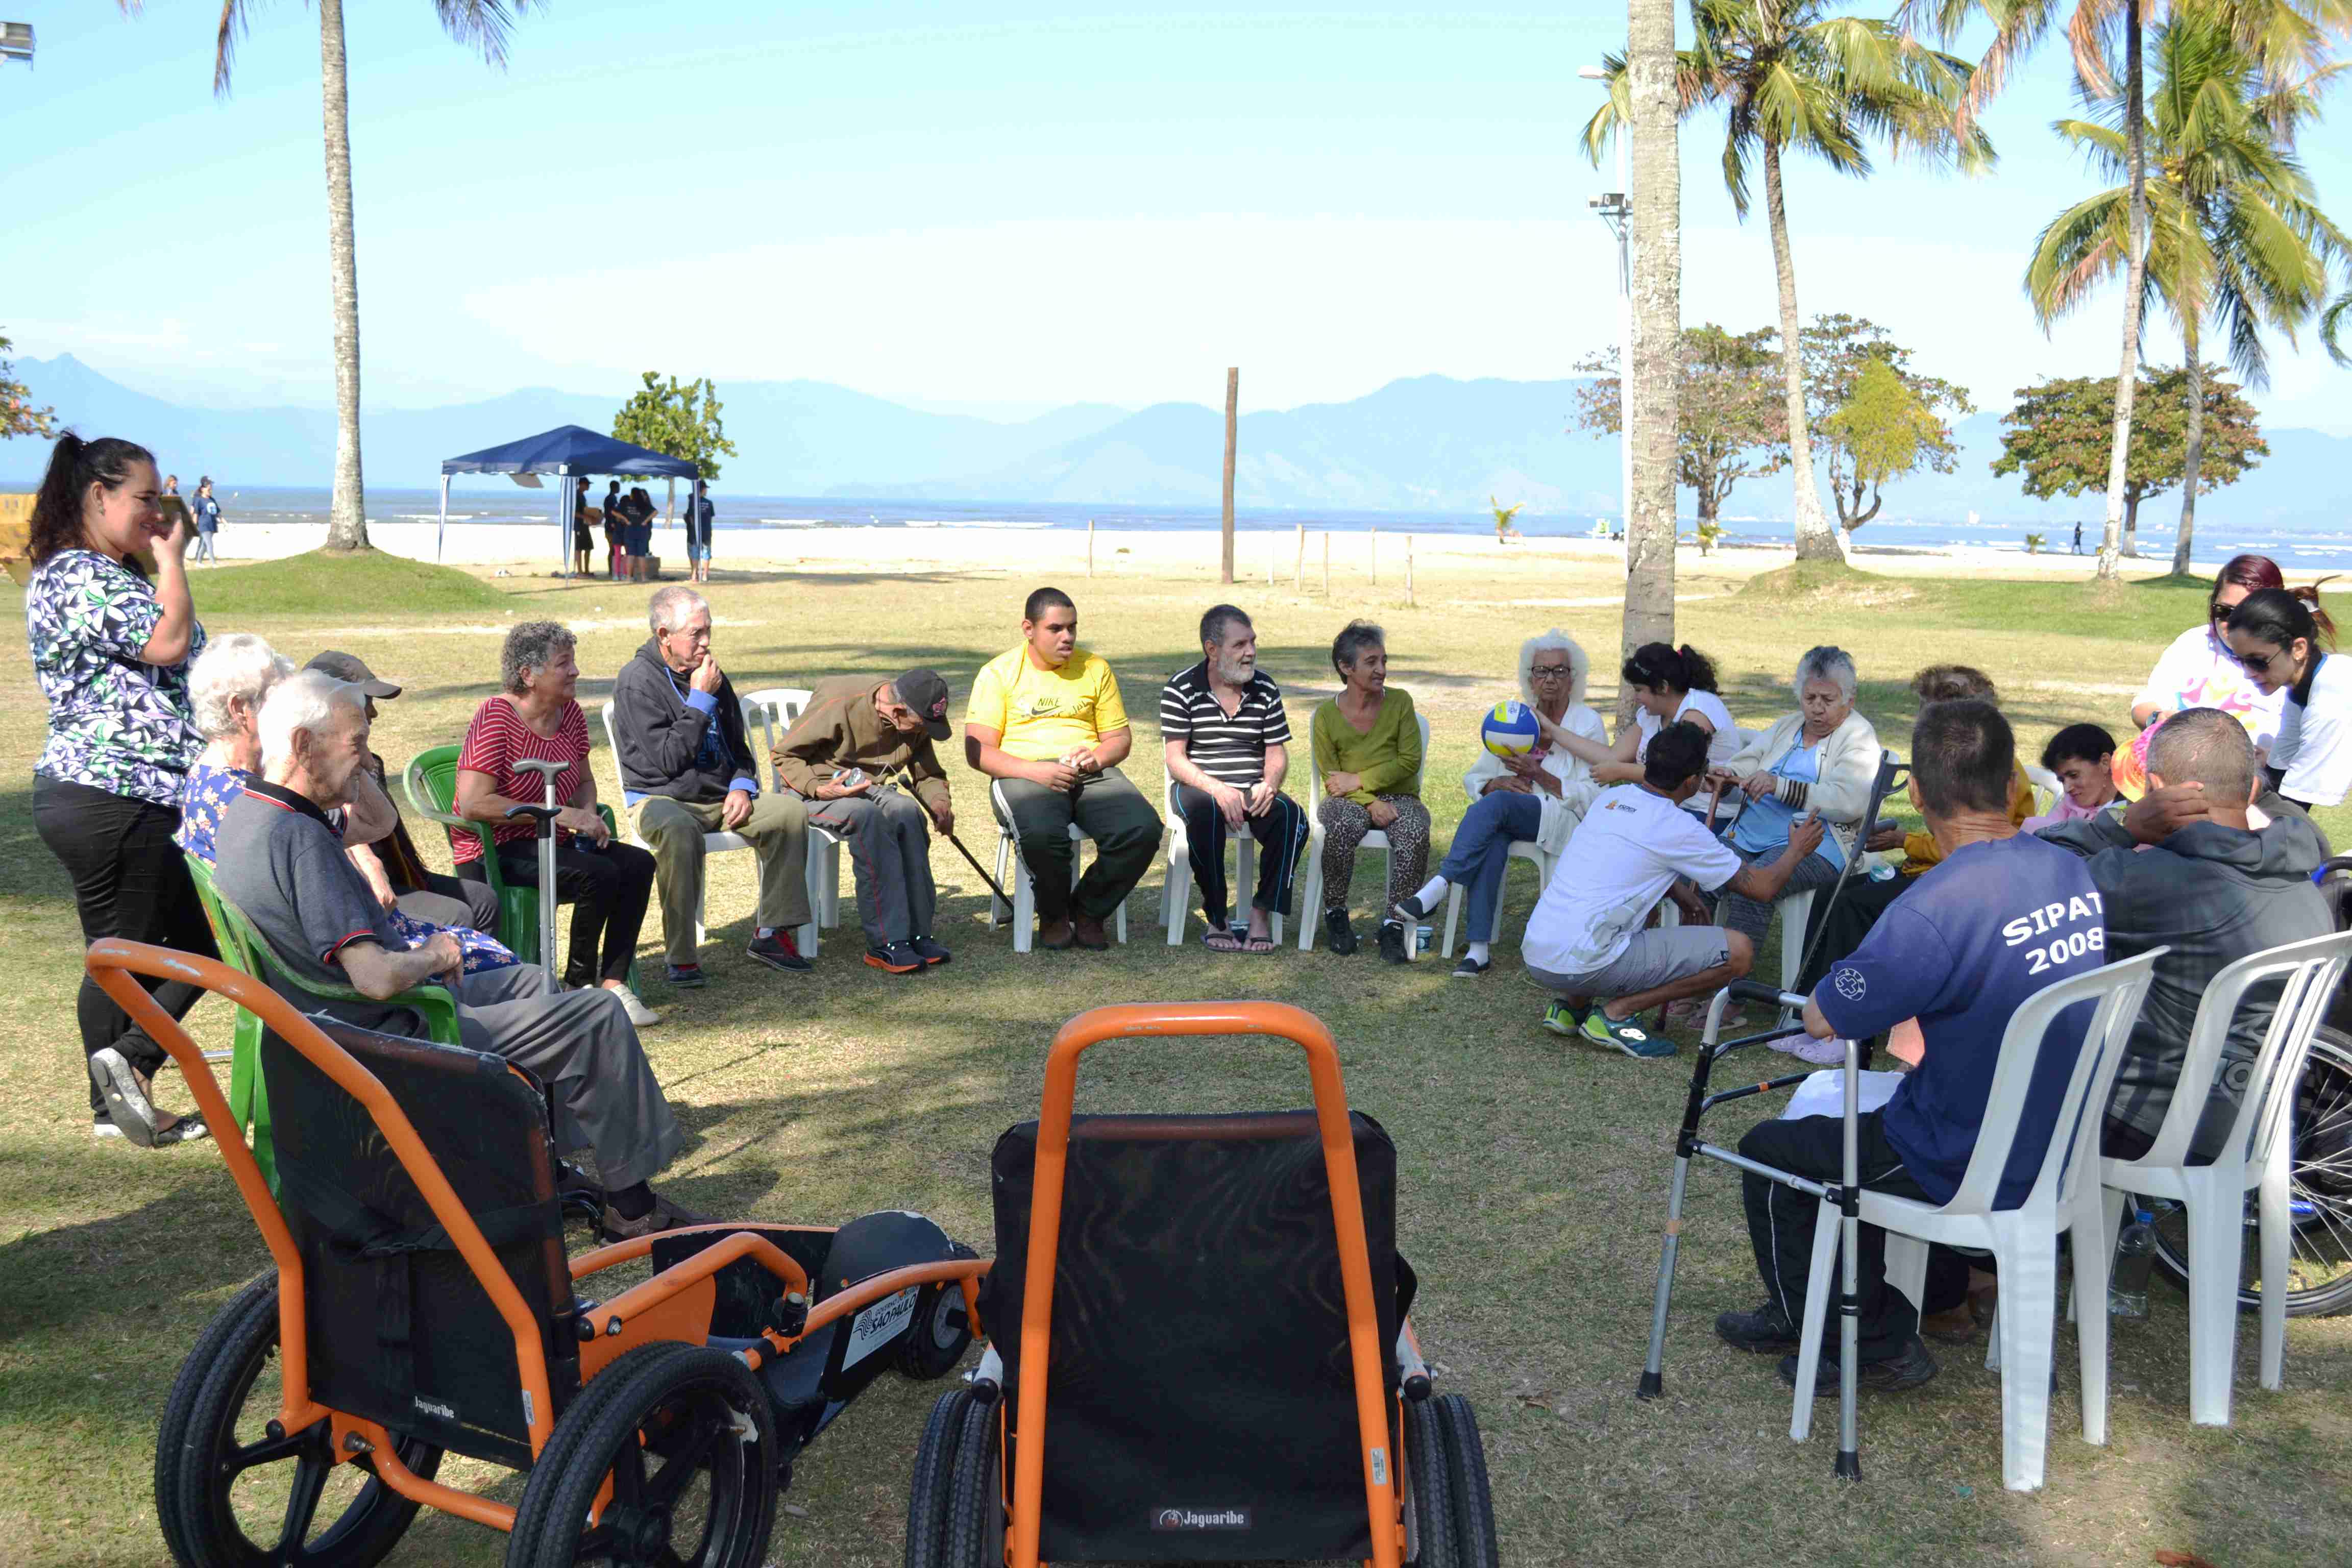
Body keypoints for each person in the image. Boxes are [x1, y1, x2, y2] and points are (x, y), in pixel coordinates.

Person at [214, 673, 700, 1240]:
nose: (369, 763)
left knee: (533, 984)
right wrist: (433, 953)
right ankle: (633, 1207)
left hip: (333, 1024)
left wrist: (351, 763)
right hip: (390, 1034)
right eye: (356, 747)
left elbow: (377, 822)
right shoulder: (302, 842)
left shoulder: (251, 815)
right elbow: (374, 977)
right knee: (597, 1015)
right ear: (302, 745)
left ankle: (543, 1172)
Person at [1714, 699, 2107, 1394]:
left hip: (1964, 1150)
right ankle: (1841, 1309)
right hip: (2059, 1135)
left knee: (1776, 1152)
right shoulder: (2069, 870)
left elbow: (1823, 1021)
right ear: (2012, 786)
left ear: (1917, 794)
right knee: (1842, 1135)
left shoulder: (1933, 905)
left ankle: (1869, 1339)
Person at [24, 433, 217, 1145]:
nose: (157, 511)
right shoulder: (79, 575)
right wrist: (171, 558)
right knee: (150, 949)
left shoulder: (105, 573)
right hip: (112, 793)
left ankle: (118, 1097)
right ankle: (122, 1086)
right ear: (98, 496)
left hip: (120, 793)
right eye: (144, 498)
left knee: (133, 948)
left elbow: (185, 653)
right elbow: (169, 645)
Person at [2036, 707, 2331, 1162]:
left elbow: (2028, 873)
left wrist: (2122, 826)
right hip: (2263, 1123)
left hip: (2154, 1124)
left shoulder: (2150, 882)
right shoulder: (2301, 881)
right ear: (2251, 787)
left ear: (2155, 790)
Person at [181, 641, 518, 976]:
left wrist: (350, 745)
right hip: (355, 967)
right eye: (281, 695)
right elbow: (360, 949)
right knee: (504, 963)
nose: (291, 705)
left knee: (486, 939)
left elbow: (374, 823)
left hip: (345, 959)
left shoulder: (217, 784)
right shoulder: (256, 801)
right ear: (241, 710)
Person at [1520, 722, 1826, 1059]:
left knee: (1629, 911)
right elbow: (1763, 888)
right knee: (1739, 951)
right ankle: (1616, 1014)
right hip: (1583, 962)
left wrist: (1677, 890)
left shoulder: (1613, 797)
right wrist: (1796, 850)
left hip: (1538, 953)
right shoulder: (1680, 827)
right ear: (1693, 781)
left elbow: (1623, 866)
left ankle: (1571, 1008)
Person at [454, 621, 663, 1025]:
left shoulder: (568, 715)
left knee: (638, 865)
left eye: (573, 661)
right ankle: (577, 988)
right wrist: (558, 814)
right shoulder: (496, 716)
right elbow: (473, 804)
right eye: (563, 663)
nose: (575, 672)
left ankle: (614, 984)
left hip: (553, 840)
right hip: (497, 849)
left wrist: (585, 814)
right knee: (598, 875)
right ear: (527, 675)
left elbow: (583, 780)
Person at [610, 586, 814, 987]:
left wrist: (740, 785)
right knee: (679, 830)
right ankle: (682, 956)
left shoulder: (713, 676)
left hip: (720, 799)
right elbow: (667, 761)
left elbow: (739, 748)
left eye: (709, 631)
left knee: (789, 813)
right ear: (664, 635)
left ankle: (772, 933)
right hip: (660, 799)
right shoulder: (637, 681)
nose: (706, 643)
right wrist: (700, 700)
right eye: (695, 634)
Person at [1793, 664, 2026, 995]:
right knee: (1832, 893)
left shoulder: (1993, 771)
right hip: (1930, 871)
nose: (1920, 725)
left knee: (1853, 906)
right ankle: (1805, 1003)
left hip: (1958, 883)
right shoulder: (1951, 762)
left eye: (1928, 716)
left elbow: (1974, 849)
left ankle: (1838, 1022)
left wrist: (1905, 841)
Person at [1392, 629, 1606, 977]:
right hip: (1509, 814)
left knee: (1496, 808)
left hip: (1559, 816)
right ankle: (1478, 950)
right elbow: (1477, 778)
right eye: (1541, 671)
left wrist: (1541, 776)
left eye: (1559, 671)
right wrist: (1496, 782)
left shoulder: (1587, 723)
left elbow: (1595, 795)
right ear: (1530, 678)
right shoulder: (1516, 719)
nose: (1550, 679)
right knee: (1492, 828)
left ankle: (1440, 885)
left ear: (1573, 678)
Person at [965, 586, 1162, 951]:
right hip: (1023, 772)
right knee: (1043, 834)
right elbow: (978, 753)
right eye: (1055, 629)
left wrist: (1097, 758)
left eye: (1072, 628)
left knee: (1142, 829)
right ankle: (1053, 915)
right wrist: (1034, 772)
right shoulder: (998, 674)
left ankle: (1088, 910)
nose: (1067, 637)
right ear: (1029, 629)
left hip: (1088, 771)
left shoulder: (1095, 668)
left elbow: (1119, 739)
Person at [306, 649, 504, 937]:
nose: (373, 712)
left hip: (400, 876)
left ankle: (488, 975)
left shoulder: (371, 763)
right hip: (362, 889)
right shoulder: (316, 774)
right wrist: (372, 867)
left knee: (483, 900)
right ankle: (445, 978)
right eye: (365, 701)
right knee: (457, 914)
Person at [774, 666, 960, 972]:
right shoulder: (840, 701)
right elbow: (784, 756)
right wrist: (819, 789)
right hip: (811, 789)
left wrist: (940, 805)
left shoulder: (915, 721)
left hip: (866, 787)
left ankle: (918, 933)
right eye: (920, 724)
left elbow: (928, 774)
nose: (922, 731)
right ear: (898, 711)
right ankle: (885, 943)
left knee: (908, 812)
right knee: (867, 817)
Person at [1709, 646, 1881, 953]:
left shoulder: (1858, 735)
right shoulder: (1788, 726)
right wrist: (1727, 778)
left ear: (1849, 700)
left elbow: (1849, 802)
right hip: (1748, 835)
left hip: (1816, 844)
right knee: (1700, 871)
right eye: (1809, 698)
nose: (1817, 708)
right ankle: (1690, 971)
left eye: (1828, 700)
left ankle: (1731, 989)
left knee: (1756, 885)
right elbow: (1750, 762)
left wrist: (1779, 786)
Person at [1160, 604, 1309, 955]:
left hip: (1252, 786)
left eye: (1253, 642)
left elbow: (1276, 752)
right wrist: (1215, 788)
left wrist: (1269, 783)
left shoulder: (1265, 687)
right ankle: (1217, 917)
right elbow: (1175, 758)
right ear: (1212, 650)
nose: (1251, 652)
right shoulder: (1182, 688)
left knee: (1292, 818)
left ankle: (1260, 914)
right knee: (1205, 812)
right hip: (1197, 786)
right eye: (1240, 644)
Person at [1311, 620, 1431, 964]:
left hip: (1399, 797)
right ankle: (1336, 914)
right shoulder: (1325, 716)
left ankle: (1394, 924)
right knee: (1342, 826)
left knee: (1415, 830)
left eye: (1384, 661)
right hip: (1347, 800)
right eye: (1371, 662)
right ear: (1346, 668)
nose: (1381, 670)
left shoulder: (1401, 703)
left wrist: (1360, 780)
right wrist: (1369, 800)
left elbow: (1409, 762)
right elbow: (1332, 779)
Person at [2130, 554, 2290, 750]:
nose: (2234, 624)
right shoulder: (2194, 643)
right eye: (2225, 612)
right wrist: (2158, 719)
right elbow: (2146, 703)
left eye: (2247, 614)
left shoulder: (2288, 662)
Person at [2226, 585, 2349, 808]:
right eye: (2240, 660)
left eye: (2258, 661)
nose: (2248, 673)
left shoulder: (2331, 697)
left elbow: (2294, 808)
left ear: (2299, 648)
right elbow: (2278, 776)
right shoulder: (2301, 687)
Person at [1549, 642, 1739, 785]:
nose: (1635, 697)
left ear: (1663, 687)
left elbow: (1673, 773)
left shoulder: (1698, 710)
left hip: (1704, 813)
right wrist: (1551, 729)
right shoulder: (1651, 715)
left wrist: (1622, 771)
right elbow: (1611, 757)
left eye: (1639, 690)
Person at [2019, 723, 2119, 834]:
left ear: (2105, 763)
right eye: (2062, 780)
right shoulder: (2070, 803)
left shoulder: (2132, 813)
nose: (2067, 788)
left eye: (2074, 775)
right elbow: (2043, 835)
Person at [684, 479, 715, 583]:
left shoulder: (692, 502)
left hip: (695, 532)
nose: (707, 491)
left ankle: (694, 575)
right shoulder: (709, 503)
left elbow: (690, 517)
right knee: (706, 554)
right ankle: (705, 575)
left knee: (695, 554)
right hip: (706, 532)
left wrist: (692, 526)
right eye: (706, 488)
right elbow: (710, 518)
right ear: (703, 489)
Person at [190, 477, 221, 564]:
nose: (210, 486)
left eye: (211, 484)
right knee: (209, 544)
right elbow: (194, 511)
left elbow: (217, 512)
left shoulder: (212, 499)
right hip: (203, 524)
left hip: (211, 524)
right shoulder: (198, 498)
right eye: (209, 484)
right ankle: (213, 563)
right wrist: (193, 524)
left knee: (204, 544)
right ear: (204, 487)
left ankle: (198, 562)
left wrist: (224, 522)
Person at [570, 477, 594, 578]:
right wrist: (586, 517)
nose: (588, 486)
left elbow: (584, 510)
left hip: (585, 525)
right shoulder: (576, 495)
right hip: (579, 526)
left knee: (589, 547)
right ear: (582, 484)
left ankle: (587, 571)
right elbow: (574, 512)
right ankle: (580, 572)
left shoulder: (582, 496)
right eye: (587, 484)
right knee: (579, 549)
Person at [602, 480, 625, 578]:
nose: (619, 489)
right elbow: (610, 513)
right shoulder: (611, 499)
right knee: (612, 549)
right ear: (614, 487)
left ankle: (613, 569)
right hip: (610, 527)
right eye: (618, 487)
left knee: (613, 549)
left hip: (611, 527)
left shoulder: (613, 498)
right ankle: (611, 570)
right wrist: (613, 522)